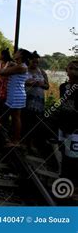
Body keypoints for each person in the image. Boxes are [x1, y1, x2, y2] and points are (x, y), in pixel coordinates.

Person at [0, 49, 31, 147]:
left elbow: (2, 72)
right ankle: (9, 137)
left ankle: (16, 141)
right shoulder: (19, 65)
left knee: (15, 118)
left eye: (17, 52)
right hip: (14, 94)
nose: (14, 54)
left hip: (16, 95)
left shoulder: (21, 67)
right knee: (12, 117)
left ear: (21, 55)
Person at [56, 60, 78, 194]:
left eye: (75, 68)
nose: (73, 71)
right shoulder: (63, 86)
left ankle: (74, 186)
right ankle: (64, 179)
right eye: (70, 68)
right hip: (63, 124)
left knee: (74, 157)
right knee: (63, 153)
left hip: (75, 128)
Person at [23, 51, 49, 153]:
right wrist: (29, 82)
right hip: (26, 100)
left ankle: (31, 144)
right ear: (29, 61)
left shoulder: (42, 72)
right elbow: (21, 82)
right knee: (25, 121)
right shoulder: (24, 71)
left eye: (37, 62)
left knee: (35, 123)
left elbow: (47, 86)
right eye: (33, 61)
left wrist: (40, 83)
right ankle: (24, 143)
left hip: (38, 103)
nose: (35, 63)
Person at [0, 49, 14, 124]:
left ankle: (3, 127)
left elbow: (4, 75)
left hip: (5, 91)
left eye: (0, 54)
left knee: (4, 111)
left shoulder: (10, 64)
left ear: (4, 55)